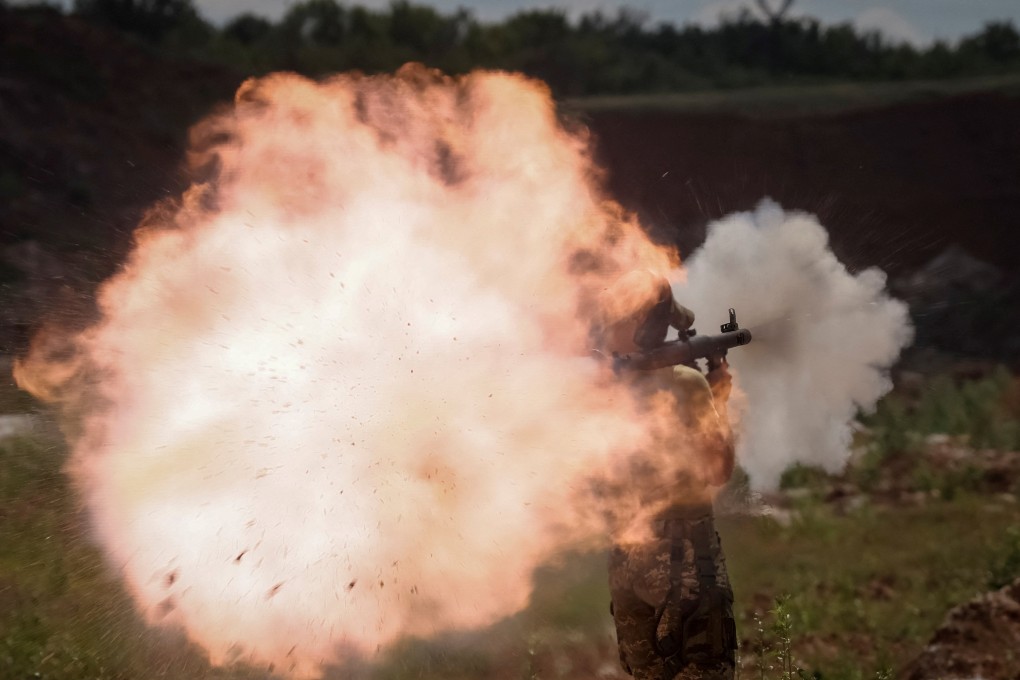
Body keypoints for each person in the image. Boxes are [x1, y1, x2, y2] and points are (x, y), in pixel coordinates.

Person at [597, 270, 737, 680]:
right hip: (683, 562)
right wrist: (719, 396)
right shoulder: (686, 384)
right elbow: (717, 468)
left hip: (626, 560)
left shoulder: (599, 389)